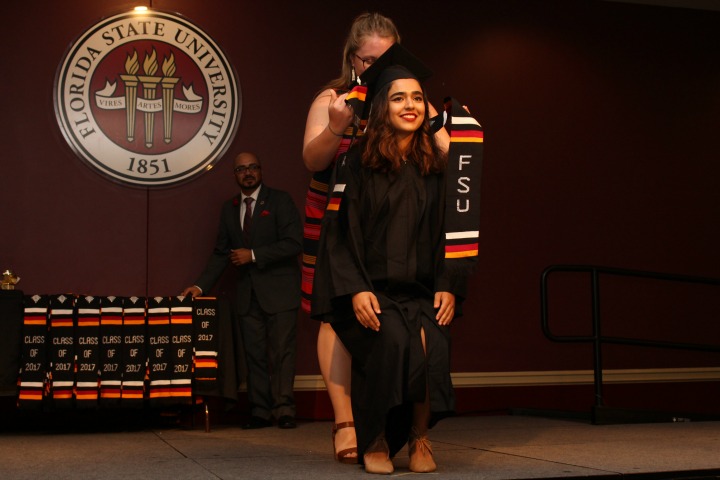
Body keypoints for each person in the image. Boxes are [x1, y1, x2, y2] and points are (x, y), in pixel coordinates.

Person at [301, 12, 448, 464]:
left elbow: (449, 156)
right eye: (369, 59)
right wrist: (338, 124)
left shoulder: (409, 98)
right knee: (335, 312)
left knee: (402, 319)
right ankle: (345, 421)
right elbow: (313, 159)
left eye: (386, 57)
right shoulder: (334, 97)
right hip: (337, 210)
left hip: (396, 214)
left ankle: (393, 423)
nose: (378, 67)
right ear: (352, 58)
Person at [182, 152, 303, 430]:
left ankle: (284, 410)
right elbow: (220, 253)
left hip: (281, 293)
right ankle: (260, 411)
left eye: (252, 168)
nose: (247, 173)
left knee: (282, 353)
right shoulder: (229, 208)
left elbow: (294, 243)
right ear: (234, 175)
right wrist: (200, 286)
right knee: (255, 355)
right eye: (241, 169)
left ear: (261, 170)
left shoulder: (280, 201)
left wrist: (254, 255)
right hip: (247, 296)